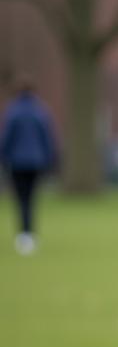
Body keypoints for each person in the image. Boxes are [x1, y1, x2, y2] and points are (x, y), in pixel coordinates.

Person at [1, 79, 58, 255]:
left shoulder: (13, 112)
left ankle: (24, 234)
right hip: (36, 162)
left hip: (17, 163)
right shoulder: (40, 111)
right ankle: (30, 233)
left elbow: (6, 138)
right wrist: (51, 160)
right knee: (31, 198)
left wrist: (3, 158)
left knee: (21, 198)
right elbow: (47, 138)